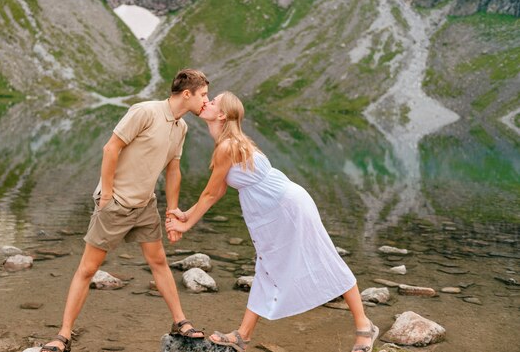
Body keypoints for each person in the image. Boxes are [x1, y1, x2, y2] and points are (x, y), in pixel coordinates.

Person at [165, 91, 379, 352]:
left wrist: (186, 225)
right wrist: (187, 214)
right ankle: (243, 335)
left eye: (213, 101)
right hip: (274, 209)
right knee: (267, 268)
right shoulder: (230, 142)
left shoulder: (227, 146)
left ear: (222, 114)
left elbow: (210, 193)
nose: (207, 102)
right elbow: (218, 190)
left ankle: (364, 326)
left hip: (286, 208)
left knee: (325, 259)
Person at [41, 69, 210, 352]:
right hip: (116, 203)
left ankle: (180, 321)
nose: (207, 100)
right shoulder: (145, 112)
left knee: (158, 261)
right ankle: (63, 336)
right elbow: (111, 148)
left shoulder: (181, 127)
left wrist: (171, 210)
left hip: (145, 205)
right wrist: (106, 196)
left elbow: (173, 170)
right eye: (203, 95)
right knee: (88, 268)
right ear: (186, 94)